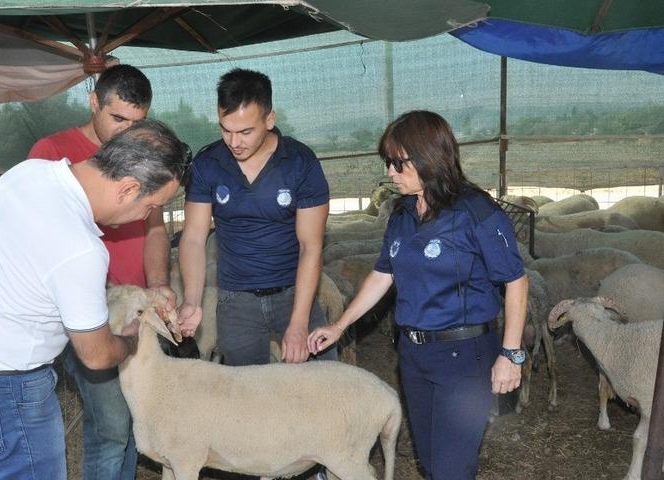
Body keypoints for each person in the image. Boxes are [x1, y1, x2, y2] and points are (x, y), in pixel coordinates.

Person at [0, 119, 190, 480]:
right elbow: (97, 354)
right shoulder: (80, 247)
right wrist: (132, 337)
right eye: (152, 205)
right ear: (128, 188)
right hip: (9, 389)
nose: (149, 216)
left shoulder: (28, 173)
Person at [307, 110, 528, 479]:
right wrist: (340, 324)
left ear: (428, 156)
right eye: (387, 163)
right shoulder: (402, 214)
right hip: (412, 354)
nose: (390, 172)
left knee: (450, 469)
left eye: (397, 163)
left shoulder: (477, 212)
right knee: (428, 459)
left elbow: (516, 281)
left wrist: (510, 353)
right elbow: (383, 273)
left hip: (464, 357)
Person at [27, 64, 171, 480]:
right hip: (89, 310)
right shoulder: (51, 153)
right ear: (94, 102)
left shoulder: (142, 154)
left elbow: (156, 227)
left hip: (135, 307)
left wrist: (159, 284)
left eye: (138, 122)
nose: (128, 131)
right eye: (118, 118)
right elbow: (43, 238)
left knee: (126, 417)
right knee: (111, 423)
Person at [178, 68, 337, 366]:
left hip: (295, 292)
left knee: (324, 382)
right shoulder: (207, 163)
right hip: (236, 301)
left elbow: (311, 246)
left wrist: (300, 323)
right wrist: (192, 300)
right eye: (226, 129)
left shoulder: (300, 162)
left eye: (245, 131)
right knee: (246, 396)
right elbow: (194, 238)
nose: (234, 142)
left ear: (270, 120)